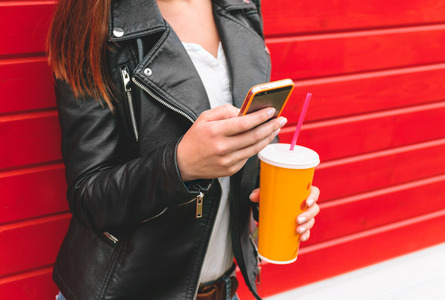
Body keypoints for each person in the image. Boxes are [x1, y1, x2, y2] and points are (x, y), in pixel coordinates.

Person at [47, 0, 320, 299]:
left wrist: (268, 197)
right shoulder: (97, 16)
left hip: (224, 290)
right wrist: (180, 165)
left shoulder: (240, 6)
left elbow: (250, 133)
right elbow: (89, 196)